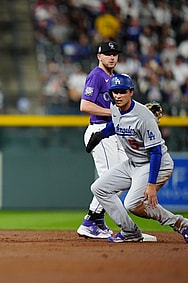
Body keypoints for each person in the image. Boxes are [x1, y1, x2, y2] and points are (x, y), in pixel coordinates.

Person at [87, 73, 188, 243]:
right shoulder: (114, 107)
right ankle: (130, 232)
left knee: (132, 204)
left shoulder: (144, 117)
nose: (118, 96)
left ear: (131, 92)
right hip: (133, 163)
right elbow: (116, 125)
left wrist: (151, 184)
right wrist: (101, 135)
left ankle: (182, 224)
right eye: (114, 92)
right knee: (99, 188)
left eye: (122, 91)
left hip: (155, 163)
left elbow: (156, 151)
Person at [77, 41, 127, 239]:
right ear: (99, 56)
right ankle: (89, 222)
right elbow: (84, 105)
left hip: (112, 133)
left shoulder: (114, 78)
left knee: (123, 177)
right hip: (99, 130)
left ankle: (97, 220)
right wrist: (112, 112)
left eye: (114, 53)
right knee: (109, 181)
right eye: (107, 53)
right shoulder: (97, 75)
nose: (112, 57)